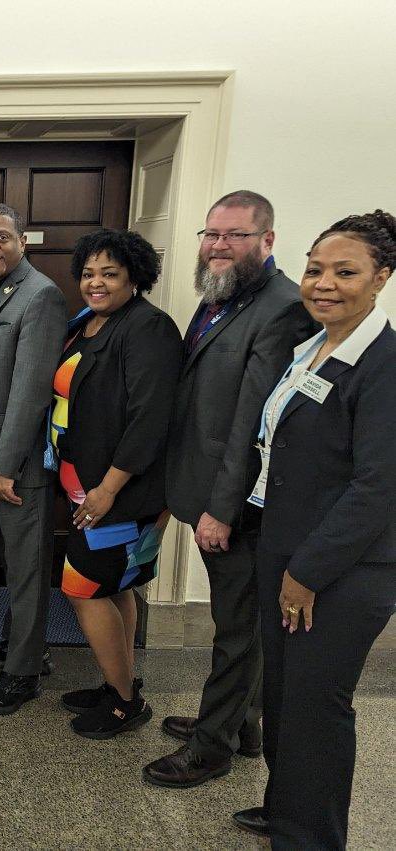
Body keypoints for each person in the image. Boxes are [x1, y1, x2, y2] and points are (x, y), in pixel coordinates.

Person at [230, 211, 396, 847]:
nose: (324, 283)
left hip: (338, 572)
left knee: (317, 710)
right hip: (287, 549)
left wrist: (305, 573)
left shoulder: (382, 364)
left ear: (381, 278)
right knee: (283, 696)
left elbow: (377, 489)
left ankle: (311, 837)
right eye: (315, 269)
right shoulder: (313, 346)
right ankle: (286, 807)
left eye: (345, 272)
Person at [144, 191, 316, 789]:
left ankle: (211, 748)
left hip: (238, 507)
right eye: (211, 233)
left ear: (267, 240)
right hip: (205, 490)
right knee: (236, 622)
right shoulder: (222, 297)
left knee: (238, 631)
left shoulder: (283, 309)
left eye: (234, 235)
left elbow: (253, 424)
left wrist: (221, 510)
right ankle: (240, 722)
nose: (218, 245)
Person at [49, 229, 182, 738]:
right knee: (116, 584)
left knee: (82, 588)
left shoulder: (148, 328)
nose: (95, 283)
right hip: (87, 485)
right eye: (88, 273)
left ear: (135, 276)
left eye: (109, 273)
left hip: (120, 492)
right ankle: (118, 681)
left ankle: (126, 703)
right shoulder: (90, 322)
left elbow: (150, 419)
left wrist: (107, 489)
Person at [0, 204, 67, 715]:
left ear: (23, 242)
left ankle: (22, 673)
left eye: (2, 238)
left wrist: (6, 466)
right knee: (13, 562)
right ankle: (23, 646)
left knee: (27, 569)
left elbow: (30, 392)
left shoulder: (41, 295)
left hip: (20, 463)